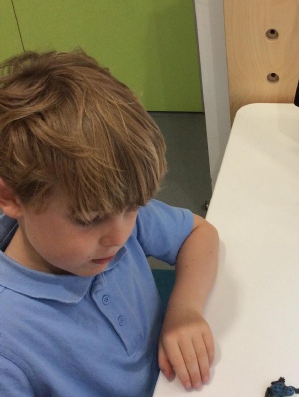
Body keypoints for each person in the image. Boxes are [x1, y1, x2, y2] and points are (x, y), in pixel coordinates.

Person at [0, 50, 219, 396]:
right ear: (12, 198)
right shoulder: (9, 345)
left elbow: (198, 232)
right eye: (88, 219)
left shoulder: (110, 209)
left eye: (134, 208)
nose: (120, 236)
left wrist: (183, 312)